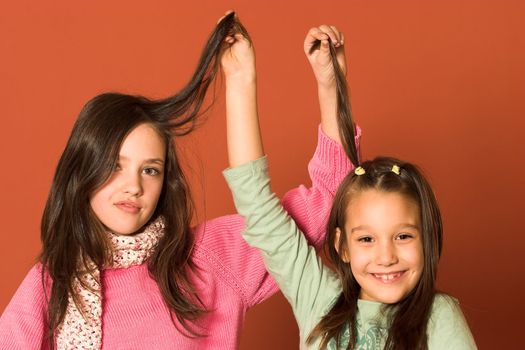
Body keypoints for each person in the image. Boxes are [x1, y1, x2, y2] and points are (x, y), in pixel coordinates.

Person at [0, 13, 361, 349]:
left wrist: (331, 87)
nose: (134, 186)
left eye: (150, 169)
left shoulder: (211, 257)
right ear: (82, 173)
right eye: (114, 166)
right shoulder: (52, 283)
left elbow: (332, 202)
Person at [224, 24, 477, 349]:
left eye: (403, 236)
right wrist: (239, 79)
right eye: (367, 238)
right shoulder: (318, 296)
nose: (385, 256)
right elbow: (257, 204)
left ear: (427, 237)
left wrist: (334, 87)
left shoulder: (439, 316)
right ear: (342, 245)